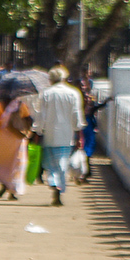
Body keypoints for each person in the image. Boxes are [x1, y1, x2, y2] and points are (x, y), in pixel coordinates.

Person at [32, 65, 85, 207]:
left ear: (51, 79)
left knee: (51, 164)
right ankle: (59, 188)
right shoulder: (73, 93)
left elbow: (40, 115)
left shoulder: (46, 94)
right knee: (62, 163)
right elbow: (77, 115)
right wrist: (79, 134)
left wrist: (37, 131)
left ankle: (54, 184)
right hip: (67, 135)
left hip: (49, 134)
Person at [0, 94, 32, 200]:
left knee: (4, 163)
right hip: (16, 138)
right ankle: (13, 191)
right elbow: (28, 119)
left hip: (2, 138)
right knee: (17, 163)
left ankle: (4, 184)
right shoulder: (20, 105)